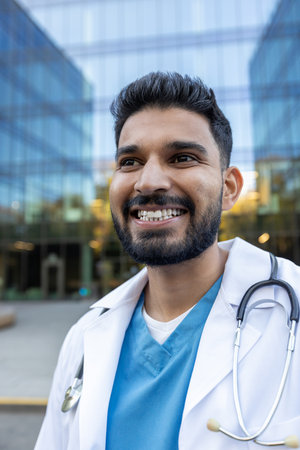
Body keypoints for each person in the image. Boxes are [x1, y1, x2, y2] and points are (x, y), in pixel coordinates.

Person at [35, 72, 300, 450]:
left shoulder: (292, 307)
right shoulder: (83, 337)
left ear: (229, 188)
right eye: (131, 161)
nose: (149, 181)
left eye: (182, 158)